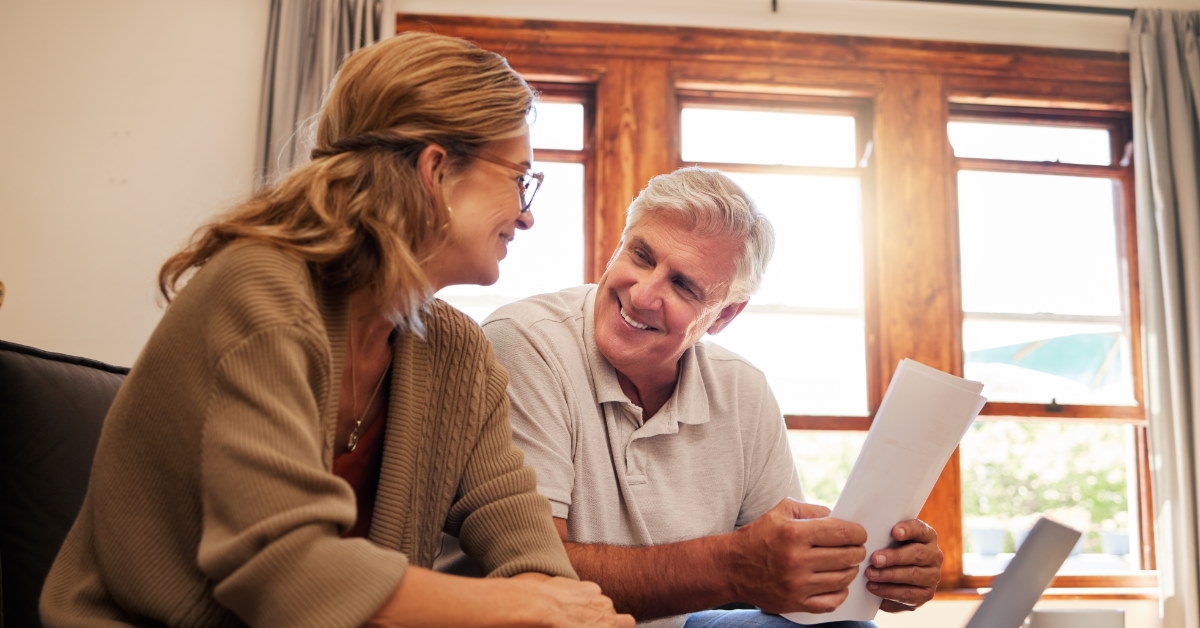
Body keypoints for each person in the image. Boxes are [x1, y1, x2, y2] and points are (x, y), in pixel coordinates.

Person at [39, 31, 633, 628]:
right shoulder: (259, 291)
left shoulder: (458, 352)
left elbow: (526, 548)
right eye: (519, 179)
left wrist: (557, 609)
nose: (527, 215)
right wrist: (518, 607)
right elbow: (283, 574)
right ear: (435, 171)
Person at [470, 167, 943, 627]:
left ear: (724, 316)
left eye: (683, 285)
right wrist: (733, 565)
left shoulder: (743, 389)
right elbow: (533, 573)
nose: (642, 295)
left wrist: (876, 576)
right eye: (640, 255)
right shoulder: (526, 342)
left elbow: (780, 582)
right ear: (619, 246)